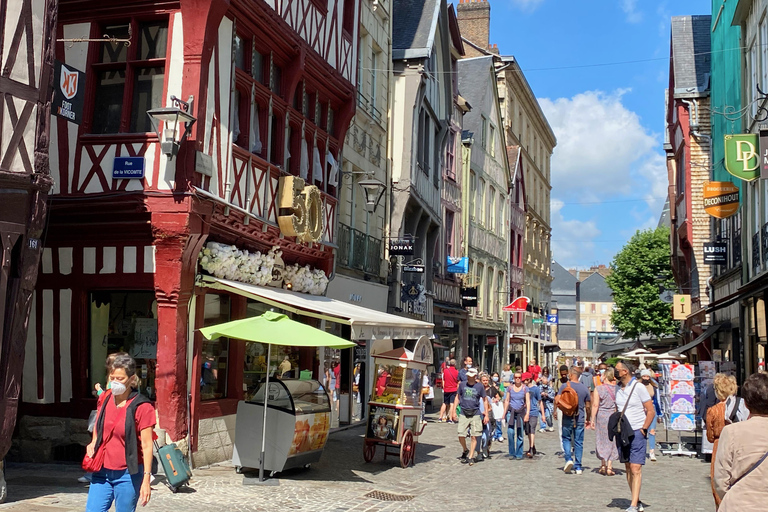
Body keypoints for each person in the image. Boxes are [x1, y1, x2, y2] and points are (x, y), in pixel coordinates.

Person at [85, 354, 156, 512]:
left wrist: (146, 479)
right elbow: (99, 422)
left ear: (131, 379)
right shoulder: (106, 398)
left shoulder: (142, 407)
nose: (115, 382)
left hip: (127, 475)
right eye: (113, 377)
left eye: (120, 378)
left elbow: (147, 444)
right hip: (102, 470)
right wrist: (93, 441)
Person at [714, 373, 768, 510]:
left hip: (739, 504)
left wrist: (735, 496)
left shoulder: (732, 432)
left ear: (745, 403)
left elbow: (721, 480)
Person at [614, 361, 655, 512]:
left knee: (635, 467)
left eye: (617, 370)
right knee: (627, 467)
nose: (615, 372)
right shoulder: (618, 389)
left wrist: (644, 428)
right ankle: (636, 499)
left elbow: (651, 410)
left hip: (637, 431)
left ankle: (633, 505)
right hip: (623, 432)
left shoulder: (639, 387)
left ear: (625, 372)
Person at [706, 373, 749, 509]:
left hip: (719, 446)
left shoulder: (712, 411)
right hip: (738, 444)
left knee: (718, 481)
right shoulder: (741, 407)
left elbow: (710, 437)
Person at [556, 366, 591, 474]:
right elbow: (588, 406)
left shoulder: (564, 386)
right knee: (578, 442)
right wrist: (588, 418)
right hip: (579, 417)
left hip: (567, 416)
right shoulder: (584, 388)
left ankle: (568, 459)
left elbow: (557, 400)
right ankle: (578, 466)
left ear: (570, 375)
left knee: (566, 438)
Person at [451, 367, 489, 466]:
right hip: (463, 412)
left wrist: (486, 414)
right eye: (468, 376)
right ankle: (465, 449)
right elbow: (457, 397)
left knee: (474, 436)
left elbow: (485, 400)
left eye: (471, 376)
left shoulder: (479, 386)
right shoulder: (462, 385)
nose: (469, 377)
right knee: (461, 434)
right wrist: (453, 411)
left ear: (475, 376)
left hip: (475, 413)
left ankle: (471, 456)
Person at [591, 367, 619, 476]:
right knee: (612, 440)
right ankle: (610, 465)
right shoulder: (617, 389)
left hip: (601, 416)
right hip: (613, 415)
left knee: (601, 439)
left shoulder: (599, 388)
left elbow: (595, 405)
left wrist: (592, 419)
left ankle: (603, 464)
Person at [503, 371, 529, 460]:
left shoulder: (525, 388)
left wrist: (527, 414)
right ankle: (511, 452)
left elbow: (528, 401)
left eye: (519, 377)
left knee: (520, 433)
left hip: (521, 412)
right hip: (511, 411)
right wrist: (504, 413)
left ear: (521, 378)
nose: (517, 379)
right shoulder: (510, 388)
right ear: (513, 378)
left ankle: (519, 453)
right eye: (516, 377)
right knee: (510, 432)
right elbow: (507, 400)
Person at [523, 372, 545, 457]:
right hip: (525, 413)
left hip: (533, 412)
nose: (523, 381)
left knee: (532, 429)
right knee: (528, 430)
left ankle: (531, 448)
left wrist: (543, 415)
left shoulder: (535, 389)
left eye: (524, 380)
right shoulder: (523, 389)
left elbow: (540, 402)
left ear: (529, 380)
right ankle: (533, 446)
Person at [639, 369, 659, 461]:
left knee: (652, 430)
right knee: (640, 430)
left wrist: (659, 413)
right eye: (644, 376)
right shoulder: (637, 386)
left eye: (647, 376)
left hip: (651, 409)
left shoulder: (653, 386)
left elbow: (657, 400)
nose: (646, 378)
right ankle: (640, 450)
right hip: (640, 410)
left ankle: (651, 451)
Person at [554, 364, 569, 455]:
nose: (563, 376)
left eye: (565, 374)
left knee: (570, 427)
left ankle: (571, 446)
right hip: (560, 407)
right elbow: (555, 396)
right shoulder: (557, 382)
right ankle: (563, 448)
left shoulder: (570, 382)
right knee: (560, 427)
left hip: (569, 407)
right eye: (562, 374)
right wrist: (554, 410)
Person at [490, 372, 505, 441]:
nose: (496, 378)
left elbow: (502, 394)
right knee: (493, 419)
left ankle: (499, 434)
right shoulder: (489, 385)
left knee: (498, 419)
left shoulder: (500, 384)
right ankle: (493, 434)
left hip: (498, 403)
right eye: (494, 376)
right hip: (491, 403)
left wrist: (498, 389)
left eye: (497, 376)